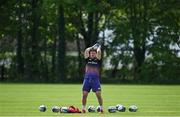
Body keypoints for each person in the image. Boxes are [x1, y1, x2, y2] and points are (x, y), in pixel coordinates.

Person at [82, 43, 103, 113]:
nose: (92, 54)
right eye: (91, 53)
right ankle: (83, 108)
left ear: (95, 54)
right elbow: (86, 51)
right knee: (84, 95)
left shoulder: (98, 60)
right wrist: (92, 47)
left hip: (95, 80)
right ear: (90, 54)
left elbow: (99, 53)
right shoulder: (87, 59)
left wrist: (99, 47)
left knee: (98, 95)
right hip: (87, 79)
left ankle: (101, 108)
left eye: (94, 53)